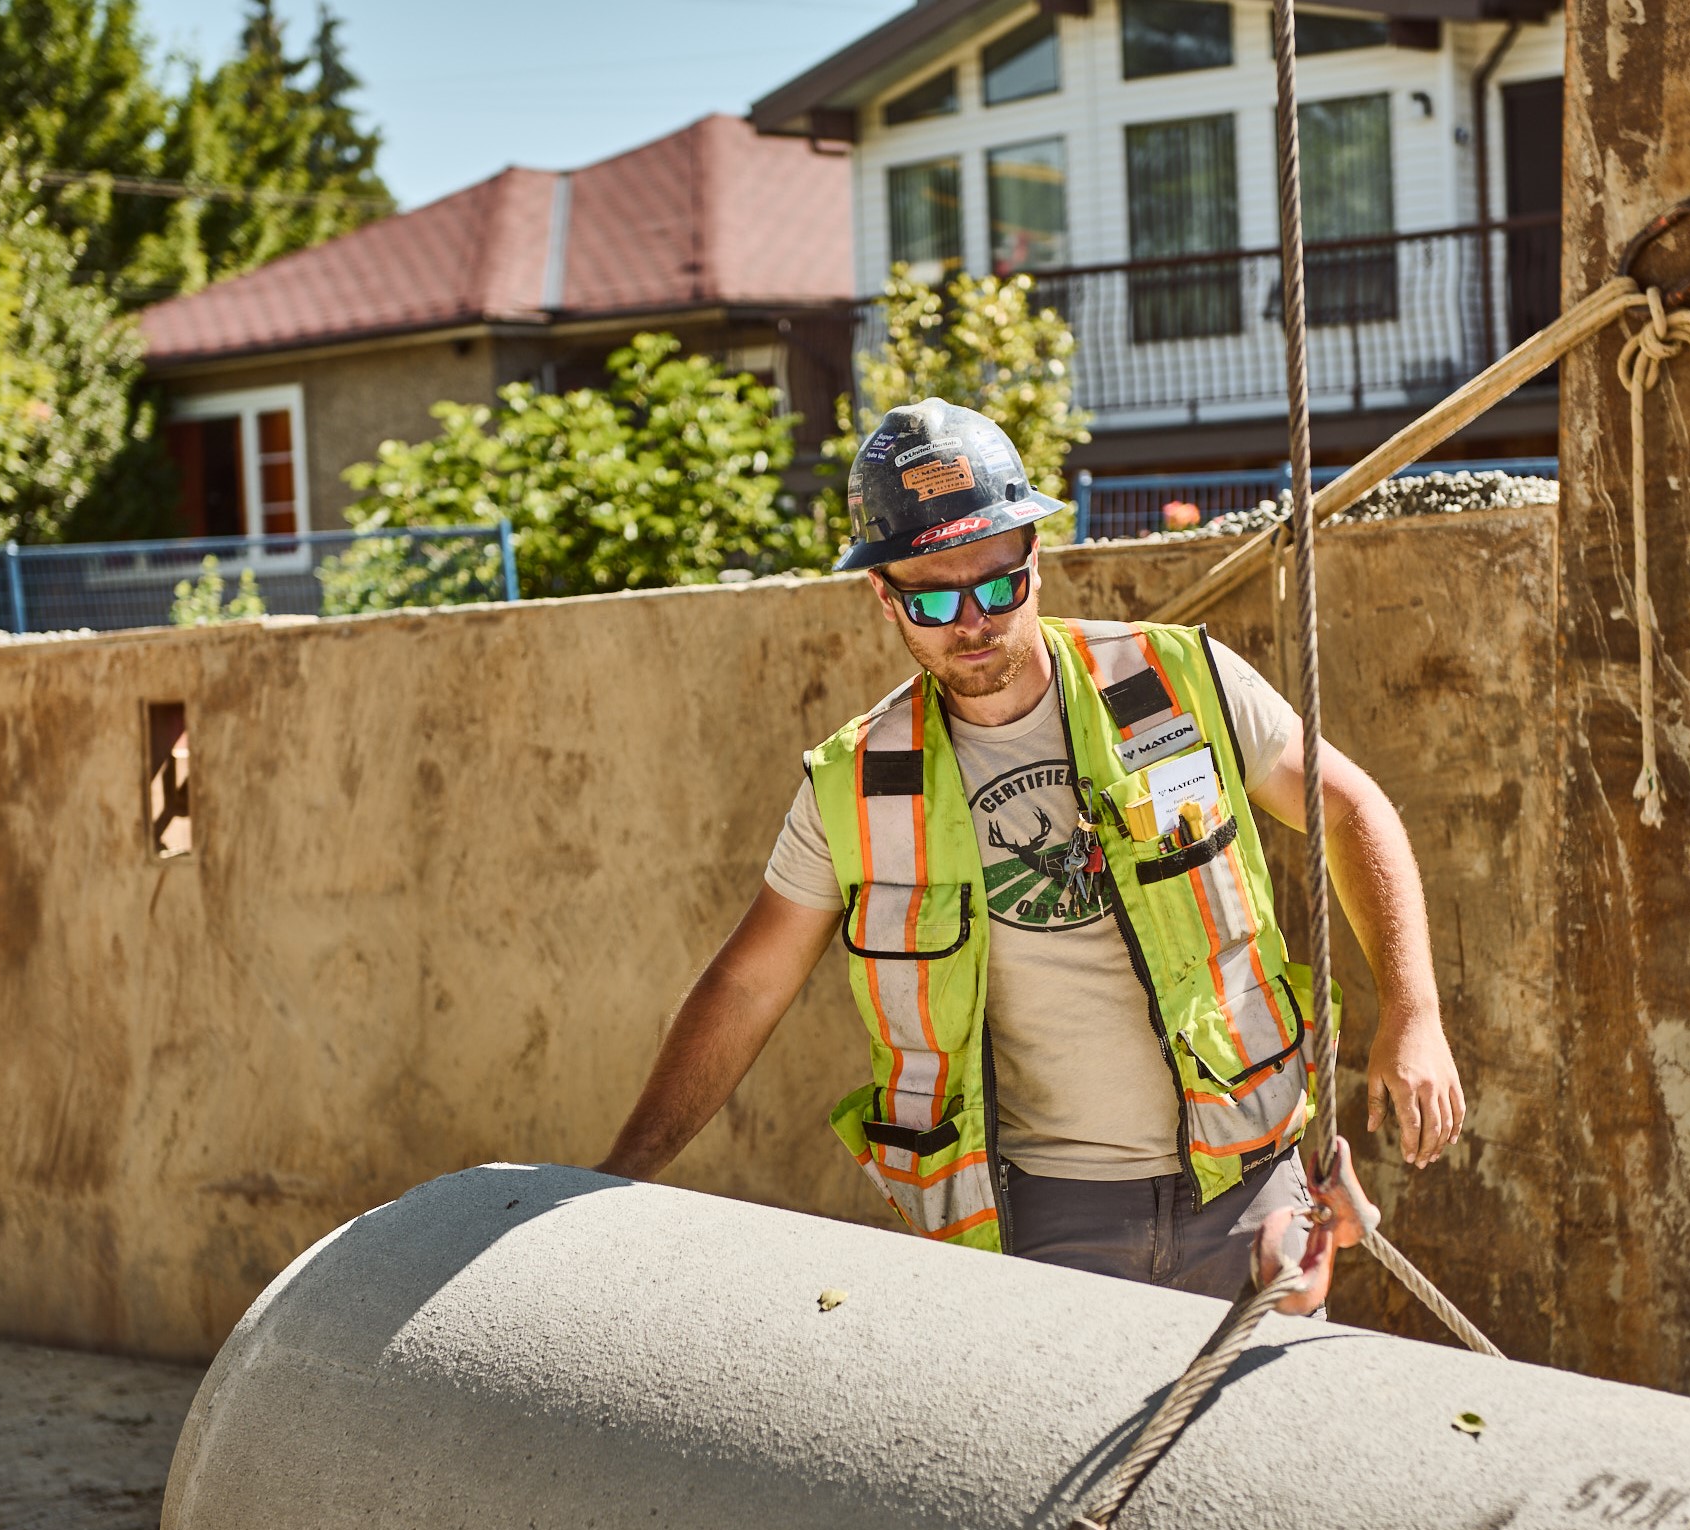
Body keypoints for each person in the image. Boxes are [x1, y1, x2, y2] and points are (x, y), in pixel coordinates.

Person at [597, 399, 1463, 1304]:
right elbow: (745, 985)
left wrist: (1412, 1008)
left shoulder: (1178, 682)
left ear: (1035, 560)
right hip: (1033, 1224)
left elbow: (1348, 806)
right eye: (932, 598)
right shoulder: (855, 784)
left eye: (996, 585)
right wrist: (624, 1168)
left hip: (1247, 1188)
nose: (972, 621)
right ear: (883, 596)